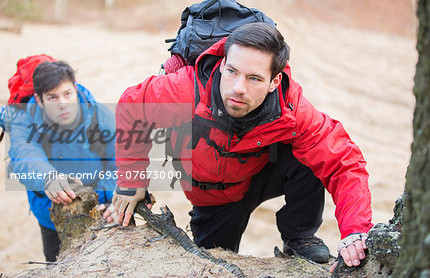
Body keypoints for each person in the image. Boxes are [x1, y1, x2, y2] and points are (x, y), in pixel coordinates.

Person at [112, 23, 373, 269]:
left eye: (254, 79)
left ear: (274, 82)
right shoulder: (185, 89)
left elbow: (343, 161)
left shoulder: (291, 109)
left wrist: (355, 230)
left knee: (307, 159)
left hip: (259, 173)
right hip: (214, 199)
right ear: (223, 63)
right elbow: (131, 106)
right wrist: (132, 179)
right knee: (210, 264)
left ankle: (299, 236)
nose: (238, 88)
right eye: (232, 71)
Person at [8, 61, 117, 262]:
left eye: (67, 94)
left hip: (103, 209)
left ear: (75, 89)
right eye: (52, 97)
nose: (63, 104)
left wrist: (115, 199)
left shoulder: (100, 116)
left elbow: (121, 162)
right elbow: (24, 155)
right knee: (58, 266)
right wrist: (48, 178)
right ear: (38, 100)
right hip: (52, 216)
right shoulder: (24, 121)